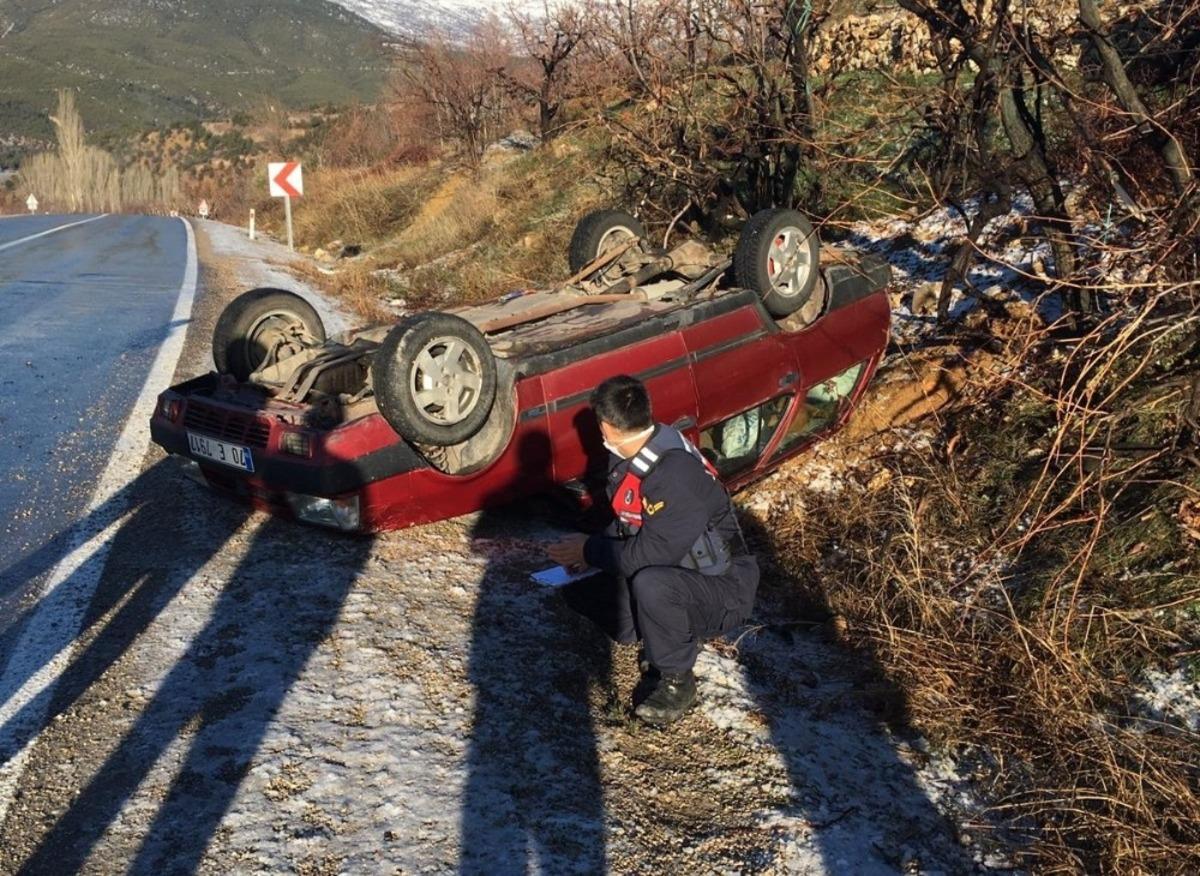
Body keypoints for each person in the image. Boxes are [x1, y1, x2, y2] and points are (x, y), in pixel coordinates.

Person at [547, 375, 759, 725]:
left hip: (724, 586)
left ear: (607, 427)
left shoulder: (673, 473)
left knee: (651, 585)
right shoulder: (637, 450)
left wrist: (591, 551)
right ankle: (657, 633)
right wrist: (586, 554)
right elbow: (628, 520)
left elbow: (650, 554)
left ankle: (677, 679)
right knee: (583, 594)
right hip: (681, 566)